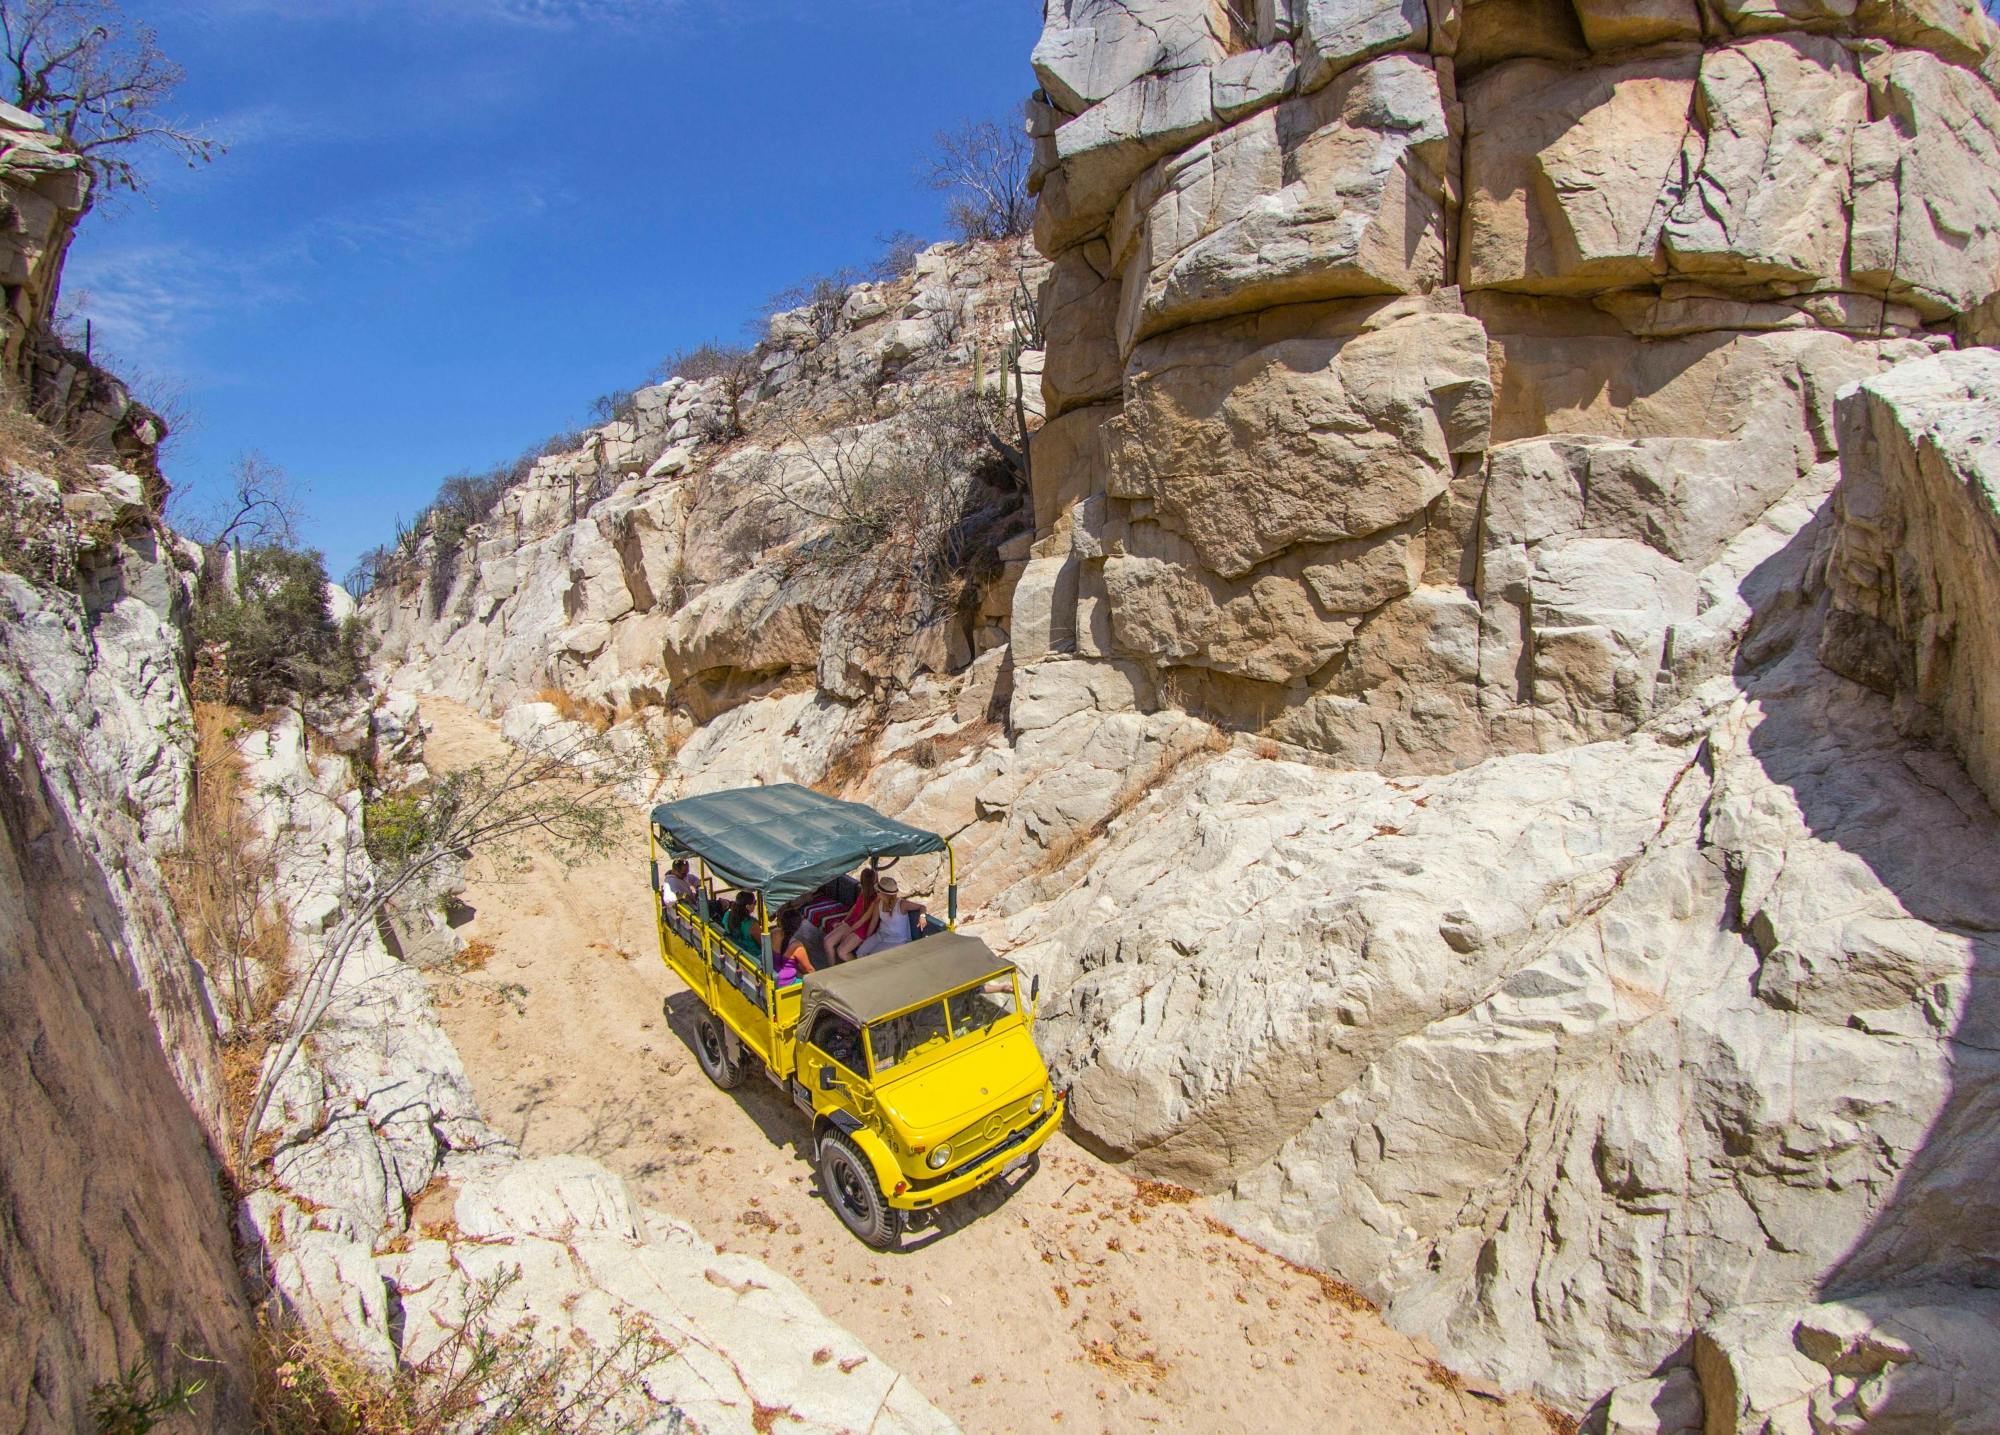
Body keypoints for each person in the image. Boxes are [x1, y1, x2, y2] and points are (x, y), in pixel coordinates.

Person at [855, 875, 925, 957]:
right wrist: (867, 938)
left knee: (872, 958)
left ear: (884, 894)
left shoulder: (902, 904)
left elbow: (922, 907)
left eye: (878, 891)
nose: (876, 893)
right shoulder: (879, 904)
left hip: (898, 941)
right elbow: (873, 922)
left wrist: (922, 917)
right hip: (880, 935)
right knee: (860, 952)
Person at [824, 867, 881, 964]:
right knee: (827, 941)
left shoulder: (875, 899)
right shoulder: (863, 892)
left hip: (862, 928)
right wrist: (844, 922)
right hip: (853, 922)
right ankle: (831, 969)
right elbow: (855, 907)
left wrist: (849, 931)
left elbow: (864, 919)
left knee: (841, 952)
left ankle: (857, 968)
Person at [776, 919, 830, 984]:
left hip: (775, 976)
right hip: (787, 983)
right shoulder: (797, 946)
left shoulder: (774, 934)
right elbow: (809, 970)